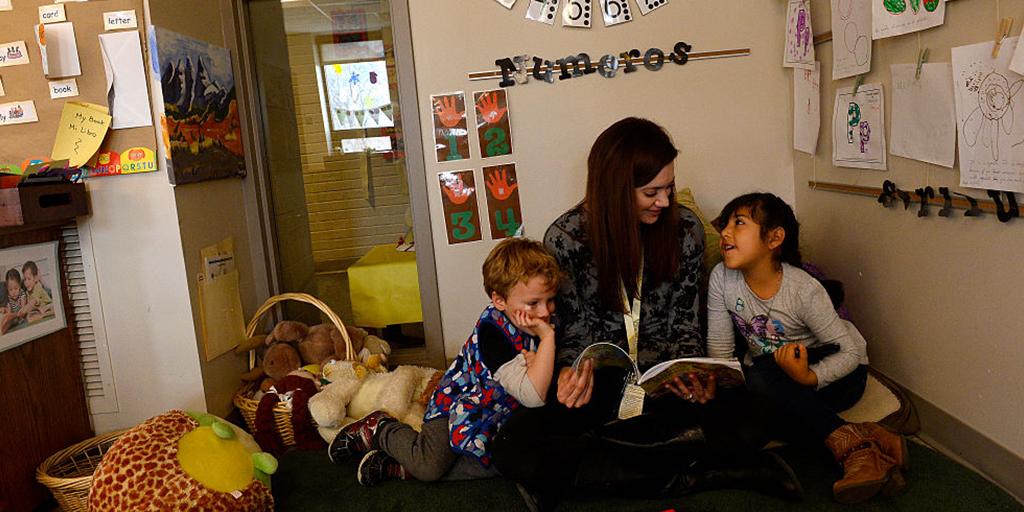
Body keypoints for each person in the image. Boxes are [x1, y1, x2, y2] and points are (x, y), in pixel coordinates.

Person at [492, 118, 801, 510]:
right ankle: (704, 472)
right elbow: (574, 331)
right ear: (616, 190)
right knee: (510, 448)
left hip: (665, 386)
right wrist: (571, 372)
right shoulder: (567, 238)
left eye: (669, 188)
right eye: (651, 191)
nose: (665, 201)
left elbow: (686, 323)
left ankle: (590, 465)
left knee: (763, 411)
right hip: (601, 388)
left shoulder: (685, 230)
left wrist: (694, 373)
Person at [707, 192, 908, 504]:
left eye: (739, 223)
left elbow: (849, 352)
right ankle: (867, 440)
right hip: (774, 374)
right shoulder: (722, 277)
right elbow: (720, 349)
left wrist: (808, 378)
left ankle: (855, 451)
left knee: (763, 377)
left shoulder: (802, 290)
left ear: (774, 238)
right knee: (755, 415)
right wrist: (721, 386)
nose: (725, 233)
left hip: (836, 373)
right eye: (726, 224)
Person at [327, 237, 561, 486]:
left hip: (498, 413)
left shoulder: (539, 319)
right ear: (499, 301)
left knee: (510, 461)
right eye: (533, 303)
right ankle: (381, 429)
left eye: (550, 300)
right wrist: (547, 338)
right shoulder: (494, 333)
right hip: (458, 406)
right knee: (430, 467)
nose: (545, 311)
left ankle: (400, 467)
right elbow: (533, 396)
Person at [1, 268, 28, 333]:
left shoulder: (22, 294)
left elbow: (23, 309)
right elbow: (9, 311)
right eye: (10, 289)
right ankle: (2, 329)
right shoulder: (9, 297)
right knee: (5, 319)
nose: (13, 292)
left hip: (21, 317)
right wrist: (6, 311)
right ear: (7, 288)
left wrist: (15, 315)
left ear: (20, 285)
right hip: (14, 318)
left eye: (16, 288)